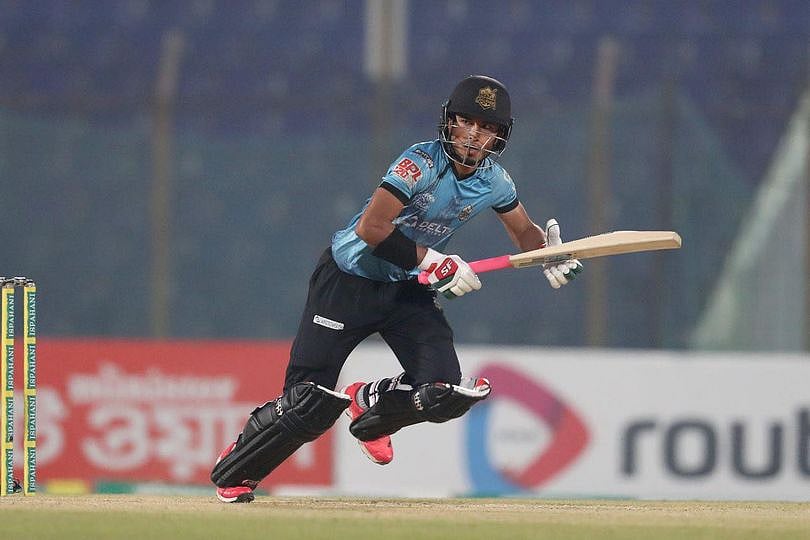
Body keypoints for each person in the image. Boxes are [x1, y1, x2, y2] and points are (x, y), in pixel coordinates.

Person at [210, 75, 583, 503]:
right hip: (348, 280)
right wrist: (432, 260)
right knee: (307, 405)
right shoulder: (418, 163)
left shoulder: (496, 181)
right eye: (467, 122)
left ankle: (370, 407)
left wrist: (549, 252)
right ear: (450, 121)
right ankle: (238, 468)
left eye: (486, 127)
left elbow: (524, 233)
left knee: (443, 392)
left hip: (405, 288)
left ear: (500, 134)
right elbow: (372, 228)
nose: (474, 135)